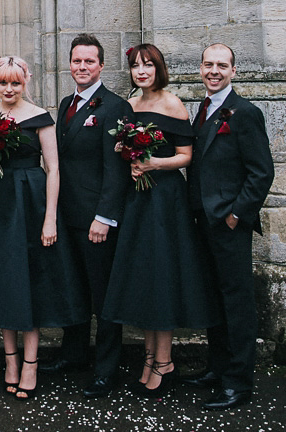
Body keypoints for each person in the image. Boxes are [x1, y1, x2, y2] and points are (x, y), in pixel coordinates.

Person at [0, 56, 88, 401]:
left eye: (15, 83)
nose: (9, 89)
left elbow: (53, 169)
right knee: (5, 282)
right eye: (3, 83)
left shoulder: (39, 118)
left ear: (26, 82)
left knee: (30, 283)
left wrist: (50, 218)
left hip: (31, 203)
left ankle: (31, 364)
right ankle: (10, 362)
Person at [101, 44, 220, 395]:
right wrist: (126, 151)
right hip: (137, 199)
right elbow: (120, 151)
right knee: (145, 277)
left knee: (163, 276)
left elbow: (186, 156)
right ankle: (150, 357)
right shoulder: (129, 105)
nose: (141, 71)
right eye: (135, 66)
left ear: (158, 69)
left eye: (147, 66)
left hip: (166, 200)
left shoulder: (172, 104)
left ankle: (164, 363)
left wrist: (153, 163)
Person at [183, 43, 275, 410]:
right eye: (208, 65)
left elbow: (261, 172)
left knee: (237, 304)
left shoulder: (245, 113)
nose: (214, 71)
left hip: (228, 225)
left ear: (234, 71)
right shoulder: (204, 109)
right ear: (201, 69)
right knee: (214, 299)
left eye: (222, 65)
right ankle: (217, 369)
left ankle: (238, 383)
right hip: (201, 221)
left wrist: (238, 214)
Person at [43, 33, 132, 399]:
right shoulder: (66, 103)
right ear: (70, 63)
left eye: (89, 62)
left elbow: (117, 169)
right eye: (76, 61)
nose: (81, 67)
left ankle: (107, 369)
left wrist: (105, 217)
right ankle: (74, 354)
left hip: (96, 220)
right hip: (67, 215)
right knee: (74, 288)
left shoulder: (114, 107)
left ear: (101, 65)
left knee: (103, 296)